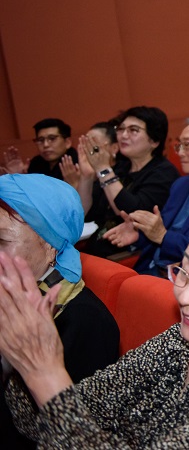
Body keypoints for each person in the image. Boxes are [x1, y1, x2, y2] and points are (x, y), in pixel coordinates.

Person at [1, 214, 189, 448]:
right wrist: (23, 357)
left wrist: (44, 373)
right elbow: (59, 414)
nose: (183, 296)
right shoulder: (177, 342)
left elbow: (60, 415)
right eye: (183, 272)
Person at [0, 174, 119, 448]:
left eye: (2, 241)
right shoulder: (12, 295)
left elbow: (70, 433)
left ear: (50, 244)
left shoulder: (85, 322)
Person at [104, 117, 189, 276]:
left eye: (187, 145)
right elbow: (163, 227)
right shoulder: (181, 185)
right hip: (152, 268)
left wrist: (162, 236)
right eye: (179, 145)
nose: (180, 153)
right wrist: (140, 233)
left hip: (188, 278)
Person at [62, 107, 180, 258]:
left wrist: (103, 169)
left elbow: (131, 212)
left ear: (154, 141)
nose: (124, 135)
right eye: (121, 129)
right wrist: (86, 176)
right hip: (97, 249)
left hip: (129, 255)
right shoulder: (121, 168)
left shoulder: (163, 173)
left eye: (133, 130)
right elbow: (84, 212)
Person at [3, 118, 78, 180]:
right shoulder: (36, 164)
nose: (45, 145)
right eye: (40, 140)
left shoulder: (78, 163)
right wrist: (19, 177)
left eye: (52, 139)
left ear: (67, 142)